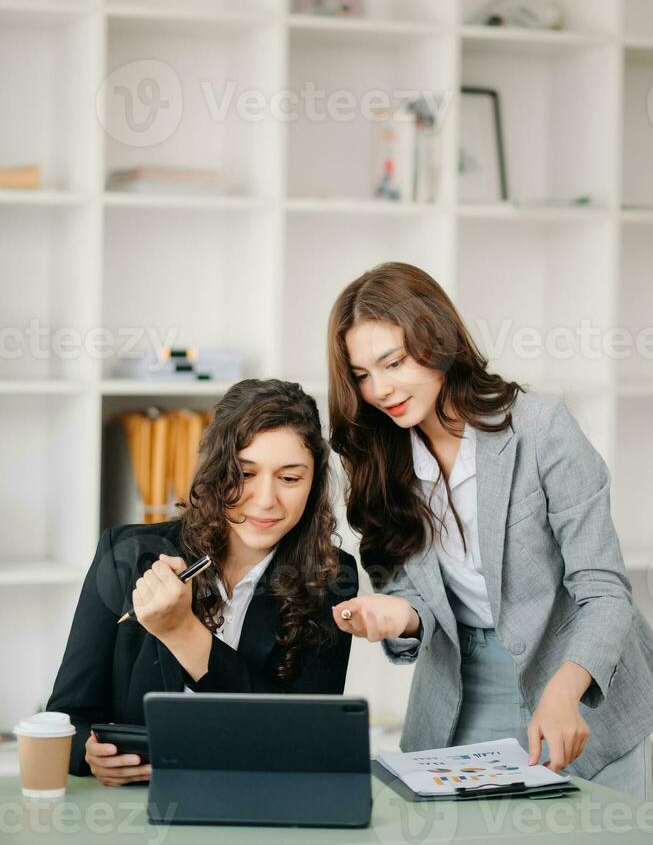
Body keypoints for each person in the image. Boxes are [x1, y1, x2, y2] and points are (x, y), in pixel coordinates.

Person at [327, 261, 653, 799]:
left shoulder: (541, 429)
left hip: (578, 674)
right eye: (362, 375)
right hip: (461, 685)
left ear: (437, 340)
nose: (380, 388)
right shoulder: (383, 460)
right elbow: (414, 594)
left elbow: (603, 589)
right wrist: (399, 615)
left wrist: (565, 689)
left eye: (394, 362)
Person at [47, 379, 358, 785]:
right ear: (215, 472)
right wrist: (88, 753)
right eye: (245, 473)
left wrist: (182, 632)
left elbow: (304, 740)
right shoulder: (124, 554)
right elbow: (67, 716)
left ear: (313, 484)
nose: (266, 500)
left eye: (289, 479)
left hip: (258, 805)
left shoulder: (331, 578)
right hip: (136, 813)